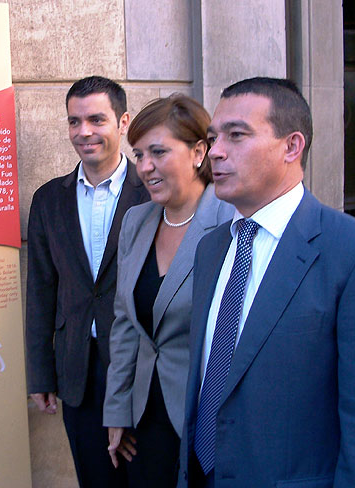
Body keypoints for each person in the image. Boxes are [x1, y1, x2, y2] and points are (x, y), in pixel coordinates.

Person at [177, 77, 355, 487]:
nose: (214, 152)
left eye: (237, 135)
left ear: (292, 146)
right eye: (214, 137)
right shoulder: (211, 247)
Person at [25, 76, 150, 488]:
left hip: (141, 368)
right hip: (78, 368)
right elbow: (41, 291)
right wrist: (41, 374)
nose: (84, 132)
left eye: (96, 119)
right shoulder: (48, 200)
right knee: (96, 480)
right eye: (74, 121)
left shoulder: (152, 192)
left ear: (123, 122)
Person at [103, 95, 233, 487]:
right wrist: (117, 410)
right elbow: (125, 322)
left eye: (158, 152)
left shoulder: (232, 222)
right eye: (138, 154)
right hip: (145, 421)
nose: (144, 167)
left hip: (208, 421)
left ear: (198, 152)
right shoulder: (136, 221)